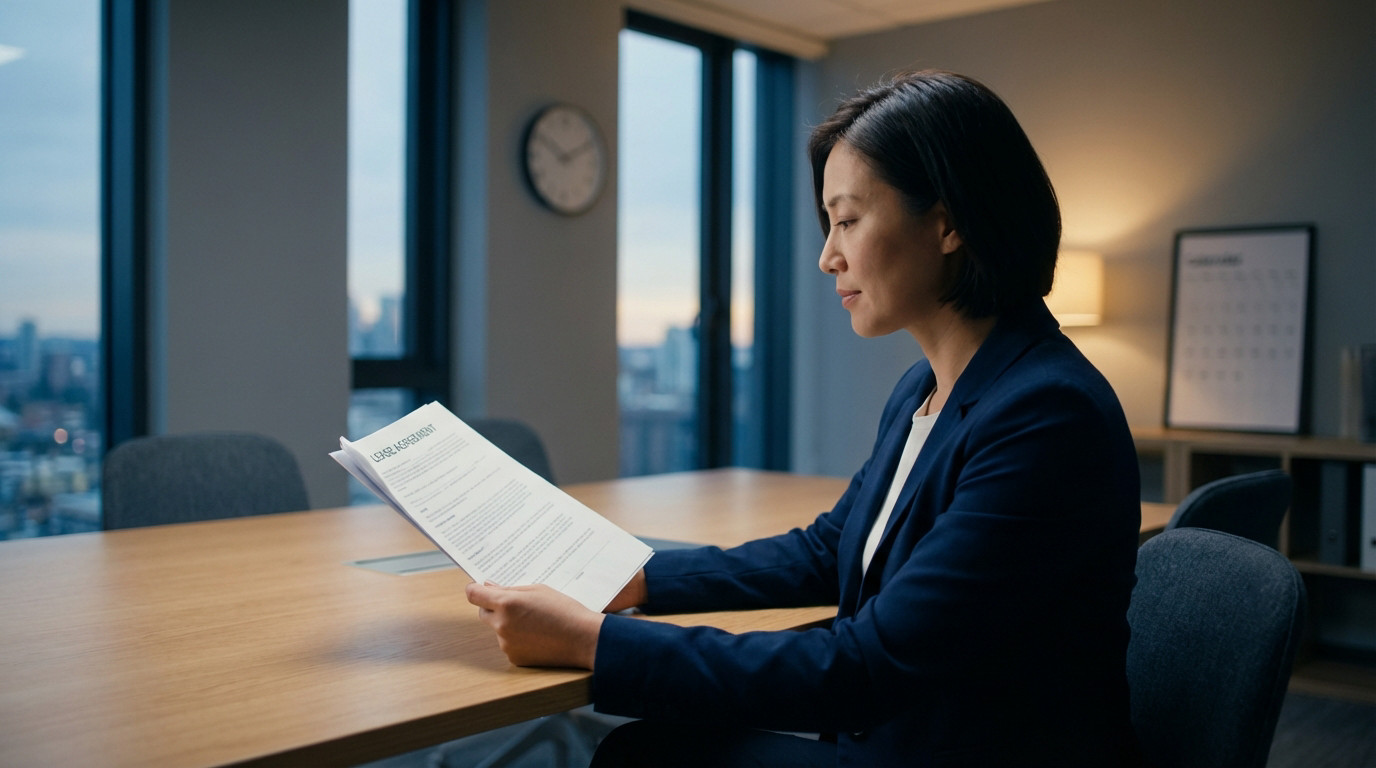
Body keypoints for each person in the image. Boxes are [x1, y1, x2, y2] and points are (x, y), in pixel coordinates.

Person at [466, 69, 1142, 767]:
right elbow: (829, 549)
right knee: (650, 750)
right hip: (905, 737)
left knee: (645, 757)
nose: (827, 257)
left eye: (847, 220)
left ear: (948, 222)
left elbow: (863, 669)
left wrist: (593, 643)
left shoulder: (1045, 416)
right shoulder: (926, 390)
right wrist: (642, 579)